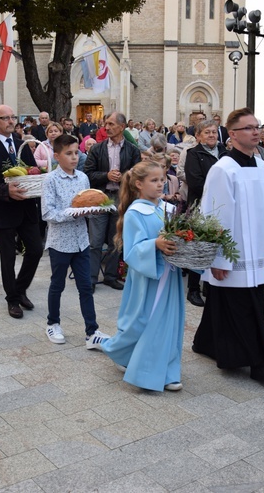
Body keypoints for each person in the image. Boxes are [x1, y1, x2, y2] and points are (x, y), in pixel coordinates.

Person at [192, 108, 264, 383]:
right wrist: (218, 259)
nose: (256, 132)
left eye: (258, 127)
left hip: (256, 251)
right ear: (232, 135)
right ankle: (259, 362)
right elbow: (214, 215)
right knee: (243, 307)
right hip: (233, 254)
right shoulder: (223, 169)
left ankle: (206, 342)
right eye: (249, 128)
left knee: (225, 303)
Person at [97, 161, 184, 391]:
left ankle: (165, 369)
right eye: (154, 180)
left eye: (162, 179)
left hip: (169, 274)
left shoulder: (167, 209)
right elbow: (132, 251)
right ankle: (121, 352)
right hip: (149, 277)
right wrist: (155, 243)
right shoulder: (136, 213)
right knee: (143, 320)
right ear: (138, 184)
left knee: (168, 321)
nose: (160, 184)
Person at [0, 104, 43, 319]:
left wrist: (38, 181)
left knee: (35, 250)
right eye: (5, 118)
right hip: (4, 209)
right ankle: (12, 300)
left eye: (13, 117)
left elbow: (33, 171)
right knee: (7, 258)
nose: (11, 121)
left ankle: (20, 289)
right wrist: (6, 190)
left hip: (26, 207)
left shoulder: (22, 143)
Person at [41, 134, 106, 345]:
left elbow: (87, 205)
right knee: (57, 285)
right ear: (57, 155)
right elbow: (48, 213)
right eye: (68, 153)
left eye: (76, 152)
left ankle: (92, 331)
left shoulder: (83, 178)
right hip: (60, 242)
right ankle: (53, 323)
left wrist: (95, 210)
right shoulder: (50, 179)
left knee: (85, 287)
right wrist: (71, 213)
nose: (74, 157)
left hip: (81, 241)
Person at [84, 112, 141, 291]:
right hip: (100, 197)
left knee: (116, 240)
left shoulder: (133, 150)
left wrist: (124, 176)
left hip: (121, 198)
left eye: (110, 124)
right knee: (95, 241)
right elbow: (88, 174)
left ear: (122, 127)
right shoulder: (97, 149)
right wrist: (106, 175)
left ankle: (110, 276)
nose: (106, 128)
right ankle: (91, 279)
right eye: (105, 124)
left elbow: (138, 176)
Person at [182, 120, 226, 307]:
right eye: (207, 132)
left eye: (214, 132)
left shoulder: (225, 153)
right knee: (199, 247)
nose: (211, 136)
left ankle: (210, 285)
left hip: (221, 207)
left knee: (216, 245)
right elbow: (196, 181)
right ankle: (193, 289)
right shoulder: (194, 154)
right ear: (198, 136)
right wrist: (220, 190)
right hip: (200, 205)